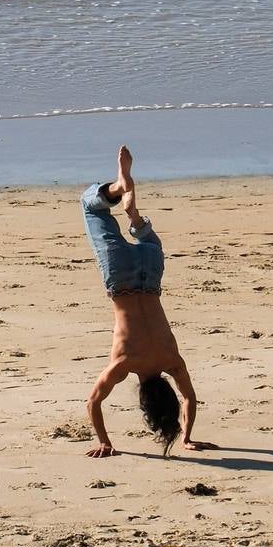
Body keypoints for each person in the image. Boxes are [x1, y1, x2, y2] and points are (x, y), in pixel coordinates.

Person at [79, 146, 217, 458]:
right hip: (122, 280)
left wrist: (186, 435)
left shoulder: (173, 361)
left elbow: (190, 399)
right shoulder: (125, 364)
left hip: (150, 273)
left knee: (149, 241)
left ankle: (133, 213)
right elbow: (93, 402)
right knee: (91, 209)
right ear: (144, 399)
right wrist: (104, 441)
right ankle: (117, 190)